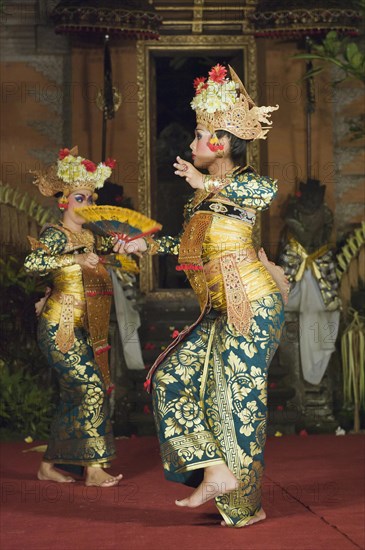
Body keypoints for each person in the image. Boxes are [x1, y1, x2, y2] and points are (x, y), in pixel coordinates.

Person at [130, 64, 289, 527]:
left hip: (252, 305)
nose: (193, 144)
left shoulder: (242, 183)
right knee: (169, 379)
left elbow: (261, 193)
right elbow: (188, 249)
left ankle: (244, 509)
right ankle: (216, 472)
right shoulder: (196, 200)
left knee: (236, 399)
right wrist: (145, 244)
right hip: (217, 309)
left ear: (221, 141)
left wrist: (209, 184)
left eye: (200, 135)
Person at [24, 147, 123, 487]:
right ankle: (93, 468)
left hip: (84, 328)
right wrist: (73, 261)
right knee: (91, 387)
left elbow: (110, 261)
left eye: (91, 197)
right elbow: (32, 264)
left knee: (77, 393)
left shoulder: (93, 237)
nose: (87, 204)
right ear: (64, 200)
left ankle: (49, 464)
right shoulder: (55, 234)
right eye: (80, 197)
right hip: (58, 327)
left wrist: (122, 249)